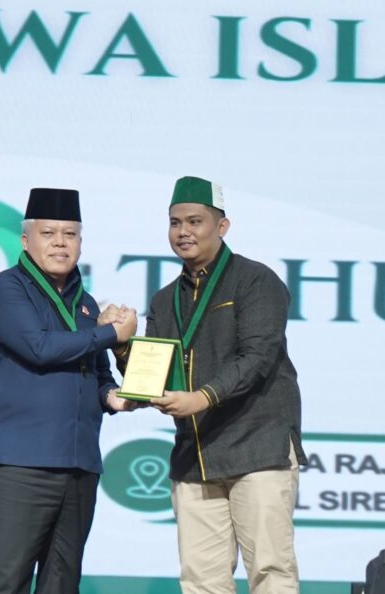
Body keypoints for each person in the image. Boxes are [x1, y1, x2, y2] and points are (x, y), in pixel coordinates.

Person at [119, 176, 306, 594]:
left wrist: (202, 398)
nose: (183, 231)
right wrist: (121, 345)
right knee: (201, 581)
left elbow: (257, 357)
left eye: (194, 221)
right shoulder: (165, 299)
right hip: (194, 457)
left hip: (257, 447)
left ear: (222, 226)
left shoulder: (255, 281)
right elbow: (156, 376)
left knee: (270, 573)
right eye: (175, 223)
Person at [0, 187, 138, 594]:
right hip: (22, 460)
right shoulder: (7, 289)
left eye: (70, 234)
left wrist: (113, 396)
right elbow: (40, 348)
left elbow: (98, 373)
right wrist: (110, 333)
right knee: (8, 580)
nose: (60, 243)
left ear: (80, 242)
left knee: (63, 582)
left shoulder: (87, 304)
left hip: (79, 463)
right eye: (48, 233)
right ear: (25, 240)